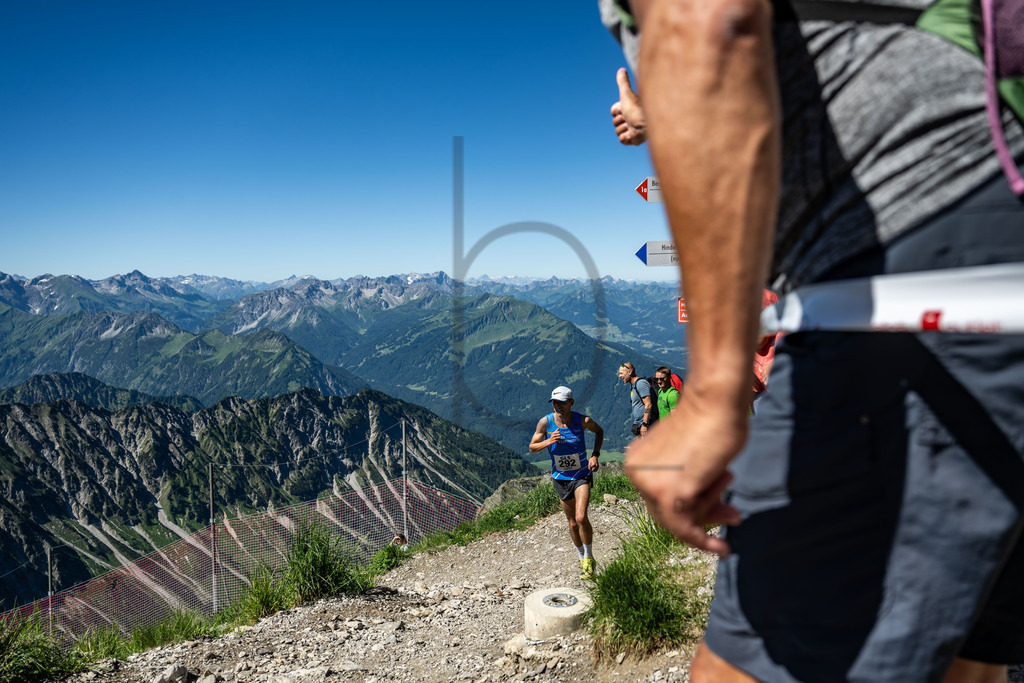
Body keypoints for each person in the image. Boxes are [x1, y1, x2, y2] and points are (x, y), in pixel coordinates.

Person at [599, 1, 1024, 681]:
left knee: (740, 667)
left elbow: (708, 21)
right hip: (987, 255)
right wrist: (667, 114)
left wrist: (710, 396)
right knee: (962, 658)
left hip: (904, 270)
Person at [529, 385, 604, 577]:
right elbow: (532, 447)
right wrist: (548, 441)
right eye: (554, 403)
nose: (558, 406)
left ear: (571, 403)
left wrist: (595, 455)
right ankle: (581, 557)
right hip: (560, 478)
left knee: (580, 517)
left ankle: (589, 557)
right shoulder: (545, 423)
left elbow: (599, 432)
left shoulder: (583, 420)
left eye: (562, 403)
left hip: (581, 476)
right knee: (571, 523)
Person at [618, 362, 654, 437]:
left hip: (647, 426)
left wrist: (644, 424)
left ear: (630, 372)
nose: (620, 376)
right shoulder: (634, 385)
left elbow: (648, 404)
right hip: (639, 425)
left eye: (621, 373)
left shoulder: (641, 384)